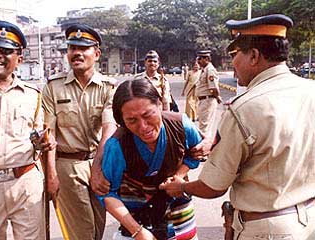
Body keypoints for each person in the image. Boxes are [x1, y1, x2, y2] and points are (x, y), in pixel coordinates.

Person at [160, 14, 315, 240]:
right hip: (308, 219)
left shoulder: (245, 108)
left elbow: (214, 186)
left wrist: (181, 188)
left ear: (253, 56)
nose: (233, 63)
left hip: (267, 229)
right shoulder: (310, 90)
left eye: (235, 55)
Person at [0, 20, 56, 239]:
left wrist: (45, 147)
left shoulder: (33, 95)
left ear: (20, 58)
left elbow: (39, 137)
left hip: (26, 183)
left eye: (5, 50)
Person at [98, 79, 202, 240]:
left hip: (179, 214)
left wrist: (179, 176)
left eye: (148, 115)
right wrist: (137, 231)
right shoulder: (116, 146)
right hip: (136, 218)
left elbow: (195, 154)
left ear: (159, 104)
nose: (143, 127)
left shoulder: (181, 125)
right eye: (132, 121)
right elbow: (107, 194)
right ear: (122, 121)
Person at [42, 24, 117, 240]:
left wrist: (98, 169)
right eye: (72, 48)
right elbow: (49, 135)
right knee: (81, 233)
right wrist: (51, 175)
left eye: (83, 48)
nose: (77, 53)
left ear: (97, 53)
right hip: (67, 167)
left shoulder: (108, 87)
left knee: (97, 228)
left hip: (100, 162)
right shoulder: (53, 87)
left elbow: (109, 129)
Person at [195, 50, 222, 137]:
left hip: (207, 100)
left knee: (204, 127)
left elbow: (213, 87)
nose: (198, 61)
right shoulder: (204, 70)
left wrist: (217, 96)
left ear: (207, 59)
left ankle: (204, 148)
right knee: (204, 126)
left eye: (200, 59)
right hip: (204, 100)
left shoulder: (210, 70)